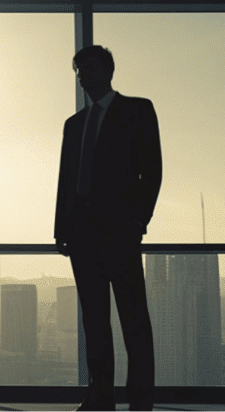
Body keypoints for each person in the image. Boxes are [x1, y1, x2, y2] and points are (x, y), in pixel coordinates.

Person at [54, 45, 161, 412]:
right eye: (79, 70)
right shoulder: (74, 124)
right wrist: (60, 229)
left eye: (89, 68)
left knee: (133, 319)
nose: (83, 75)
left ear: (109, 70)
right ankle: (101, 394)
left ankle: (141, 397)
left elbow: (153, 170)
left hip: (121, 232)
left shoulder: (137, 110)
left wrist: (138, 222)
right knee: (95, 319)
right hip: (82, 236)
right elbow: (66, 181)